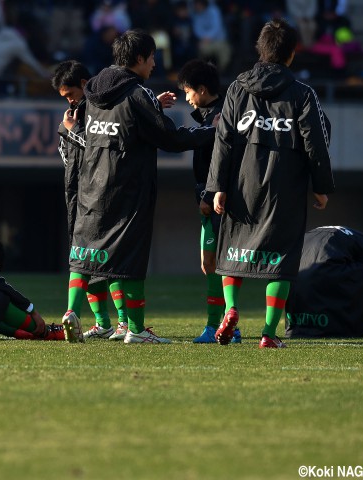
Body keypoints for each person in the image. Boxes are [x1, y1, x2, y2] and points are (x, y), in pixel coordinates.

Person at [63, 29, 214, 344]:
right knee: (128, 260)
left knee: (83, 253)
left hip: (91, 186)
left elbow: (96, 130)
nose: (155, 65)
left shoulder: (92, 91)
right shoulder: (138, 94)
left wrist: (152, 106)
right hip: (127, 189)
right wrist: (211, 132)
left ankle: (71, 312)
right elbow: (170, 138)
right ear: (140, 59)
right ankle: (136, 329)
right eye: (153, 58)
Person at [206, 18, 335, 348]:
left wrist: (217, 186)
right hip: (285, 187)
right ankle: (268, 333)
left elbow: (223, 139)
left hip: (241, 183)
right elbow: (315, 140)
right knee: (281, 261)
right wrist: (320, 185)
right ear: (291, 53)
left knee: (233, 250)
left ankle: (231, 310)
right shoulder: (302, 93)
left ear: (259, 50)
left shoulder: (237, 87)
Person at [52, 60, 129, 341]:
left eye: (71, 94)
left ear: (85, 85)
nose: (69, 101)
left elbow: (98, 152)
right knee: (82, 256)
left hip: (97, 192)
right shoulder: (74, 113)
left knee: (106, 255)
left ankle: (123, 322)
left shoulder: (99, 110)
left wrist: (71, 131)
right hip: (75, 193)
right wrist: (68, 133)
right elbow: (67, 155)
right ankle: (102, 322)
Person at [176, 59, 241, 344]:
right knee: (212, 263)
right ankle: (222, 323)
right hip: (212, 199)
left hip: (217, 201)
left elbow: (219, 162)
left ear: (201, 90)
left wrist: (207, 194)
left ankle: (224, 325)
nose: (186, 97)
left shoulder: (220, 116)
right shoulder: (213, 115)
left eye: (188, 91)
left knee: (216, 263)